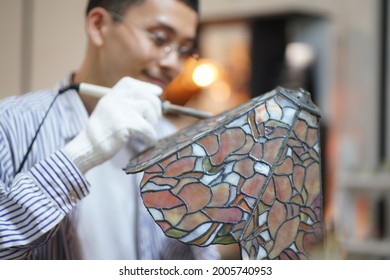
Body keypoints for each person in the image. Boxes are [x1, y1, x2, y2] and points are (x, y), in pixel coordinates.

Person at [0, 0, 220, 260]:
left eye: (184, 50)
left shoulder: (175, 142)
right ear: (98, 25)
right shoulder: (11, 124)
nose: (173, 63)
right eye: (160, 38)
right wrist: (81, 154)